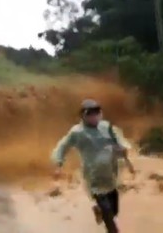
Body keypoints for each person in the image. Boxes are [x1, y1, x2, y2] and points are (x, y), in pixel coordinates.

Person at [51, 99, 132, 233]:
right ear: (83, 116)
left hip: (111, 175)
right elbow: (63, 146)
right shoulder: (77, 132)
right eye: (90, 114)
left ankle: (99, 210)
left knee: (114, 210)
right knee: (108, 215)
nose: (94, 117)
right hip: (93, 177)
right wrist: (58, 164)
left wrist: (123, 149)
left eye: (97, 113)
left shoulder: (108, 127)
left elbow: (121, 142)